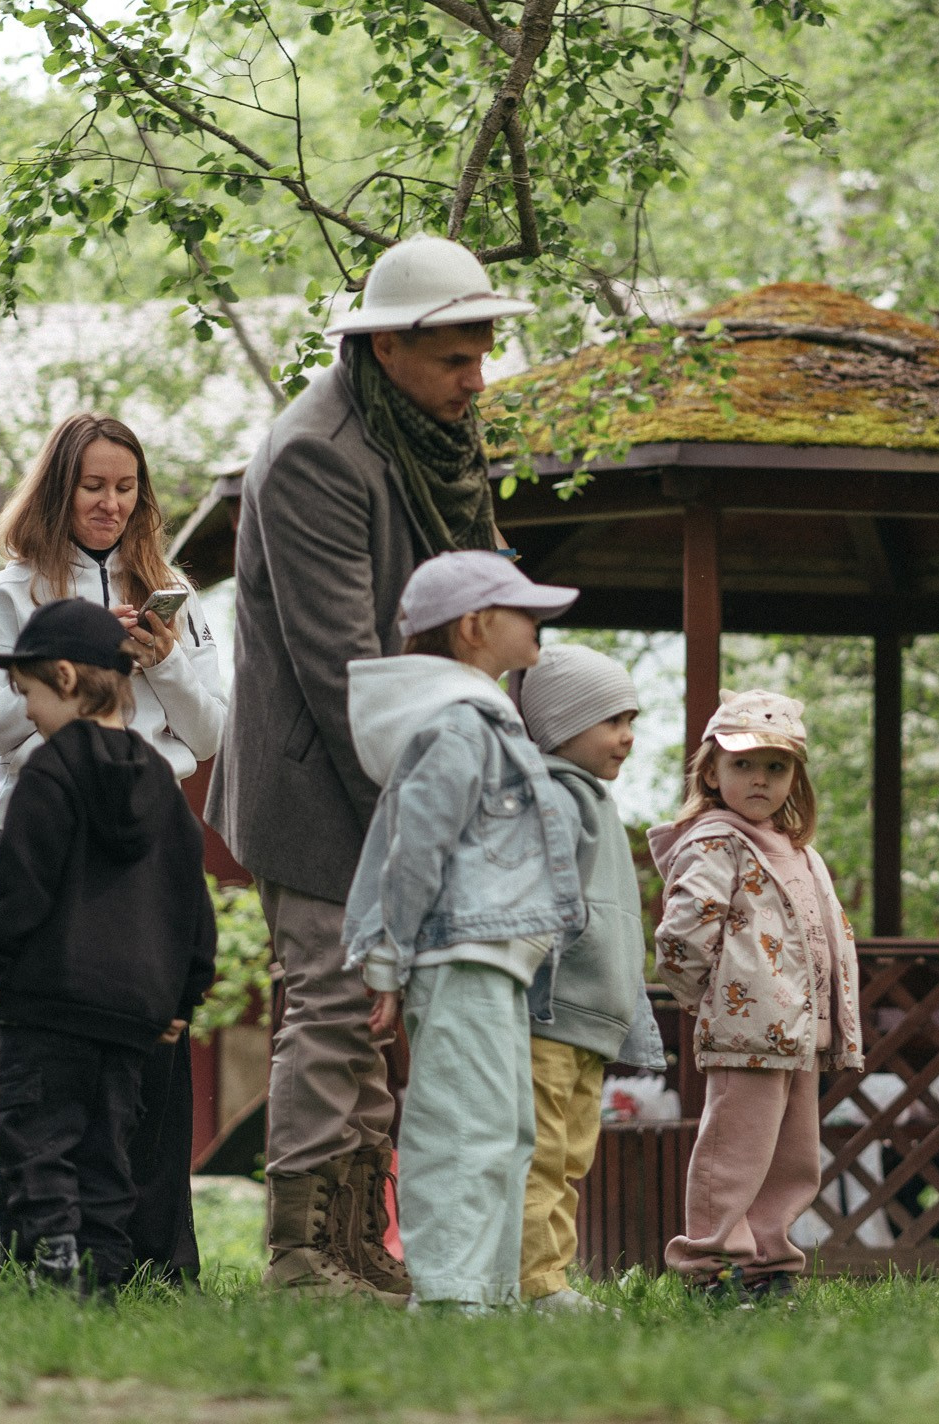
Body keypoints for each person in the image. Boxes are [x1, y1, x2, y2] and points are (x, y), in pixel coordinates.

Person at [206, 235, 532, 1296]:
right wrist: (421, 829)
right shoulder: (315, 454)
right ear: (389, 347)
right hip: (321, 782)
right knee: (338, 1006)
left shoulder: (438, 434)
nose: (477, 379)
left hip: (414, 764)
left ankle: (357, 1247)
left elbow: (485, 599)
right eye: (456, 359)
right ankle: (302, 1254)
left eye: (483, 354)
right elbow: (347, 672)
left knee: (381, 1018)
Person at [0, 412, 226, 1282]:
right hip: (44, 837)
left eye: (125, 487)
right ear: (57, 487)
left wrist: (161, 663)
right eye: (91, 485)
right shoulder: (9, 592)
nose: (109, 504)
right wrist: (77, 668)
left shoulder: (176, 590)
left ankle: (145, 1256)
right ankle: (35, 1255)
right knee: (36, 1061)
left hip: (147, 844)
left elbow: (212, 731)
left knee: (148, 1054)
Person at [341, 552, 584, 1311]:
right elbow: (414, 848)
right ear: (475, 628)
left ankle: (486, 1293)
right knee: (462, 1130)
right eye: (523, 610)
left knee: (505, 1131)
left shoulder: (484, 717)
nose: (538, 621)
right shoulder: (455, 724)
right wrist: (388, 958)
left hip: (495, 959)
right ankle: (449, 1298)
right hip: (461, 954)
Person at [649, 690, 861, 1305]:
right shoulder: (717, 843)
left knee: (793, 1160)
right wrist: (711, 1000)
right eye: (742, 764)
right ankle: (711, 1266)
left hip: (797, 1034)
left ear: (796, 777)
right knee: (734, 1154)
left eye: (776, 767)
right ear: (710, 772)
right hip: (748, 1030)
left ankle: (770, 1264)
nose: (760, 779)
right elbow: (683, 934)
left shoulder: (794, 848)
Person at [510, 644, 666, 1311]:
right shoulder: (551, 798)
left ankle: (550, 1278)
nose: (627, 736)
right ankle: (528, 1283)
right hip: (550, 1013)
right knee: (541, 1153)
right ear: (560, 724)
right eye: (611, 719)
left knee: (569, 1158)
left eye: (631, 718)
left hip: (588, 1025)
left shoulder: (594, 800)